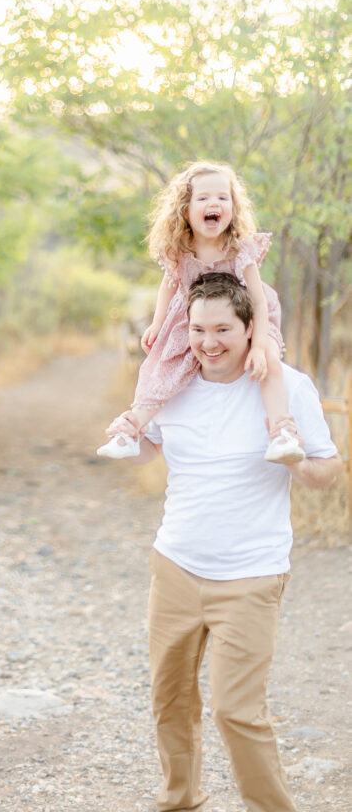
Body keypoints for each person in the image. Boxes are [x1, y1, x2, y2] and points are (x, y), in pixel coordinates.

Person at [107, 272, 341, 812]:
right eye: (196, 329)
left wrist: (298, 461)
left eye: (222, 329)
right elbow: (152, 450)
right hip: (176, 567)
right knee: (170, 700)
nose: (208, 342)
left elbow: (328, 470)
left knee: (236, 709)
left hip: (251, 574)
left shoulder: (286, 387)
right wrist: (128, 435)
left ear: (250, 327)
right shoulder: (173, 385)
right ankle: (180, 800)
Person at [97, 161, 304, 465]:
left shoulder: (237, 248)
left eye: (223, 197)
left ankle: (281, 433)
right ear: (186, 208)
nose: (214, 203)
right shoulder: (180, 248)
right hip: (194, 312)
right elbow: (169, 285)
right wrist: (158, 322)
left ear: (233, 208)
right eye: (203, 198)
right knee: (163, 363)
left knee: (268, 360)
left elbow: (259, 302)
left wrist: (258, 345)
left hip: (245, 313)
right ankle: (131, 430)